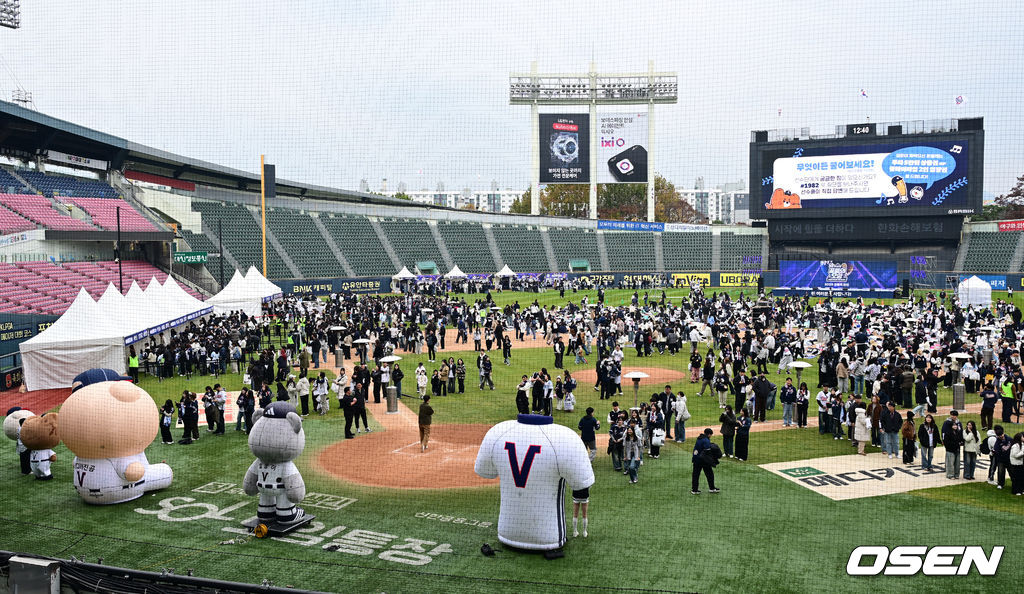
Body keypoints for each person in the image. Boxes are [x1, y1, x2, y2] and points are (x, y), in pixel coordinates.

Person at [691, 428, 720, 495]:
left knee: (695, 475)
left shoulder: (699, 438)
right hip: (703, 460)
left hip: (696, 459)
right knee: (710, 474)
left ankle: (694, 490)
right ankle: (712, 488)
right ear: (709, 434)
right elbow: (707, 452)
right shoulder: (706, 440)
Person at [941, 410, 964, 479]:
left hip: (957, 445)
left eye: (954, 415)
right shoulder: (947, 422)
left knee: (957, 461)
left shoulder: (959, 423)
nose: (953, 416)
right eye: (952, 415)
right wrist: (943, 440)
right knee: (950, 460)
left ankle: (956, 474)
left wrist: (961, 441)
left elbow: (961, 431)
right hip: (949, 444)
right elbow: (943, 432)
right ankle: (950, 474)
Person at [623, 420, 643, 484]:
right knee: (629, 468)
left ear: (633, 431)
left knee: (632, 467)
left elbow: (640, 447)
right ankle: (632, 479)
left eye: (630, 430)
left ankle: (635, 477)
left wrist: (639, 456)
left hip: (635, 454)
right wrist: (625, 456)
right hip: (629, 454)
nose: (629, 431)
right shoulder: (626, 438)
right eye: (628, 430)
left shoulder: (637, 438)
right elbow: (625, 447)